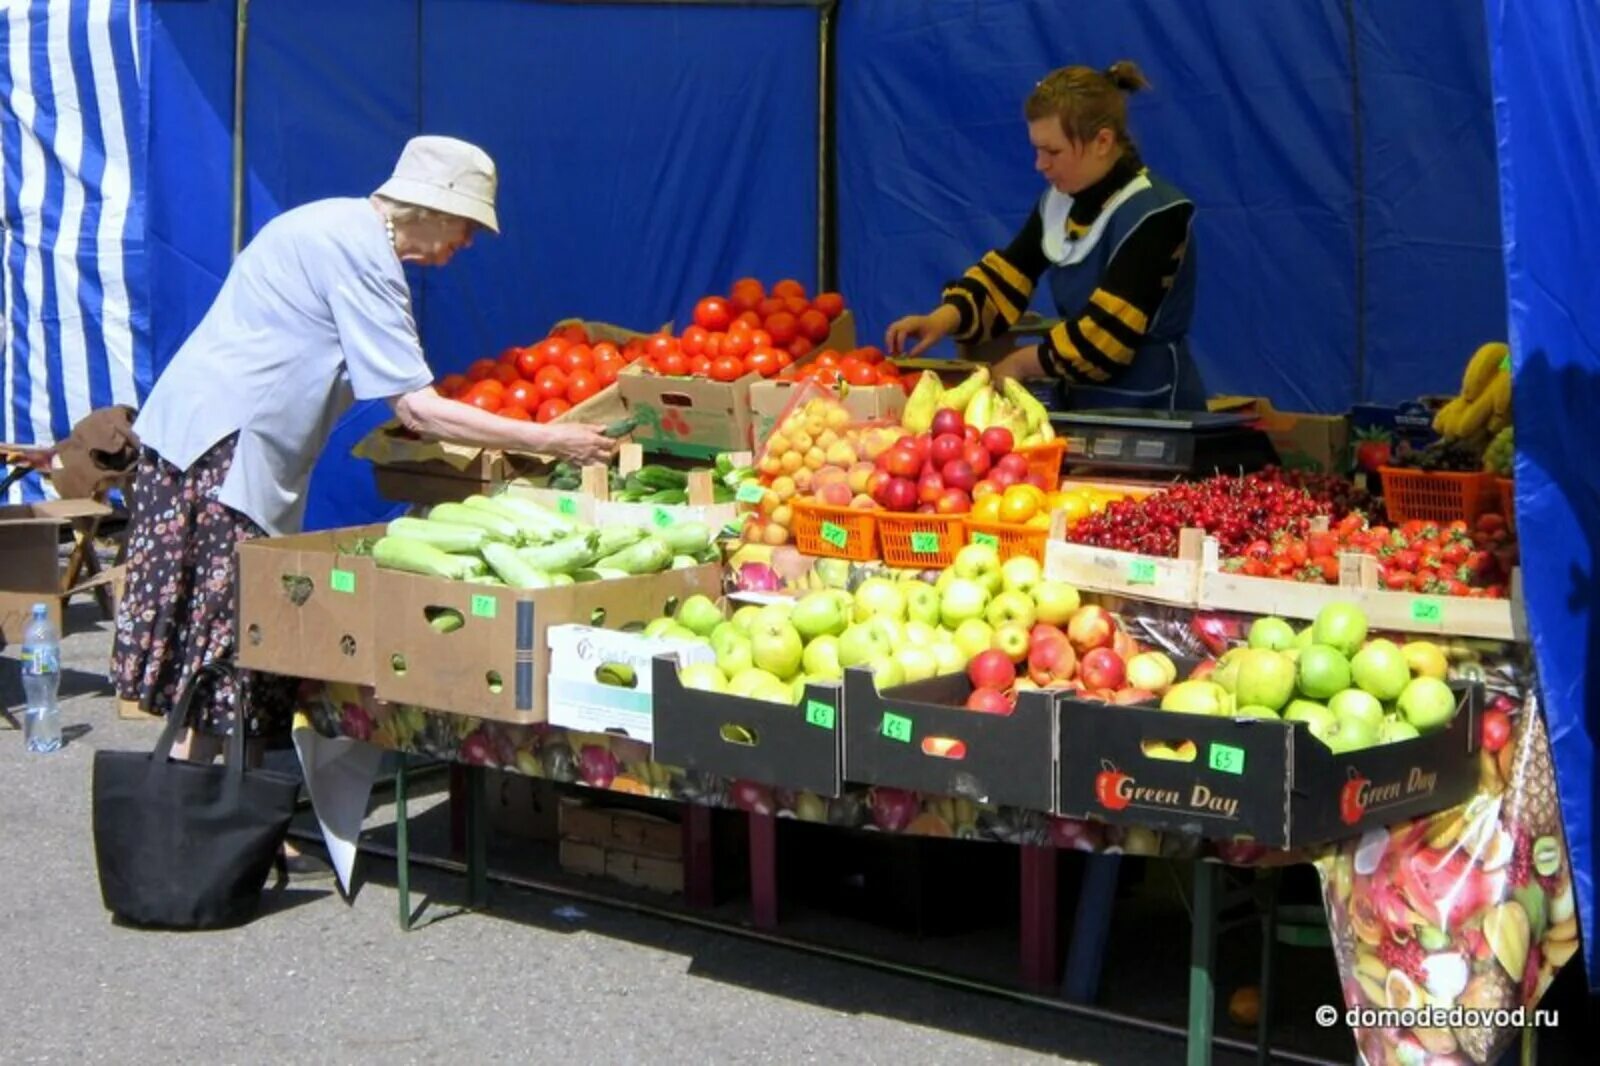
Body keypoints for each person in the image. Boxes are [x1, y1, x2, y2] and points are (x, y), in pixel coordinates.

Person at [112, 135, 617, 779]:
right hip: (225, 454)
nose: (465, 245)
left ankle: (214, 812)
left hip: (191, 440)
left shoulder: (323, 219)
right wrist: (552, 439)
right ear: (430, 207)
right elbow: (418, 408)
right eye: (466, 227)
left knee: (220, 642)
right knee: (231, 639)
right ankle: (202, 824)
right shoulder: (360, 253)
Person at [886, 61, 1204, 411]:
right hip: (1086, 406)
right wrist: (940, 321)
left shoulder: (1156, 213)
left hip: (1157, 409)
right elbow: (1007, 277)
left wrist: (1022, 362)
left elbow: (1105, 340)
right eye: (1037, 150)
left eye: (1053, 152)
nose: (1040, 164)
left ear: (1102, 142)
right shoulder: (1058, 204)